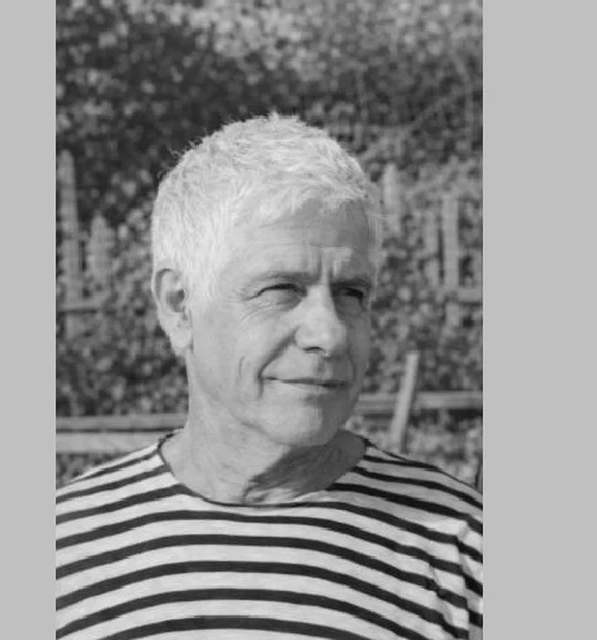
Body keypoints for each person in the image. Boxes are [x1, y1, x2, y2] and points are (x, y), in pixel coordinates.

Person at [56, 114, 483, 640]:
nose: (329, 333)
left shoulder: (461, 550)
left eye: (352, 293)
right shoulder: (67, 553)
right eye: (281, 290)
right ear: (179, 305)